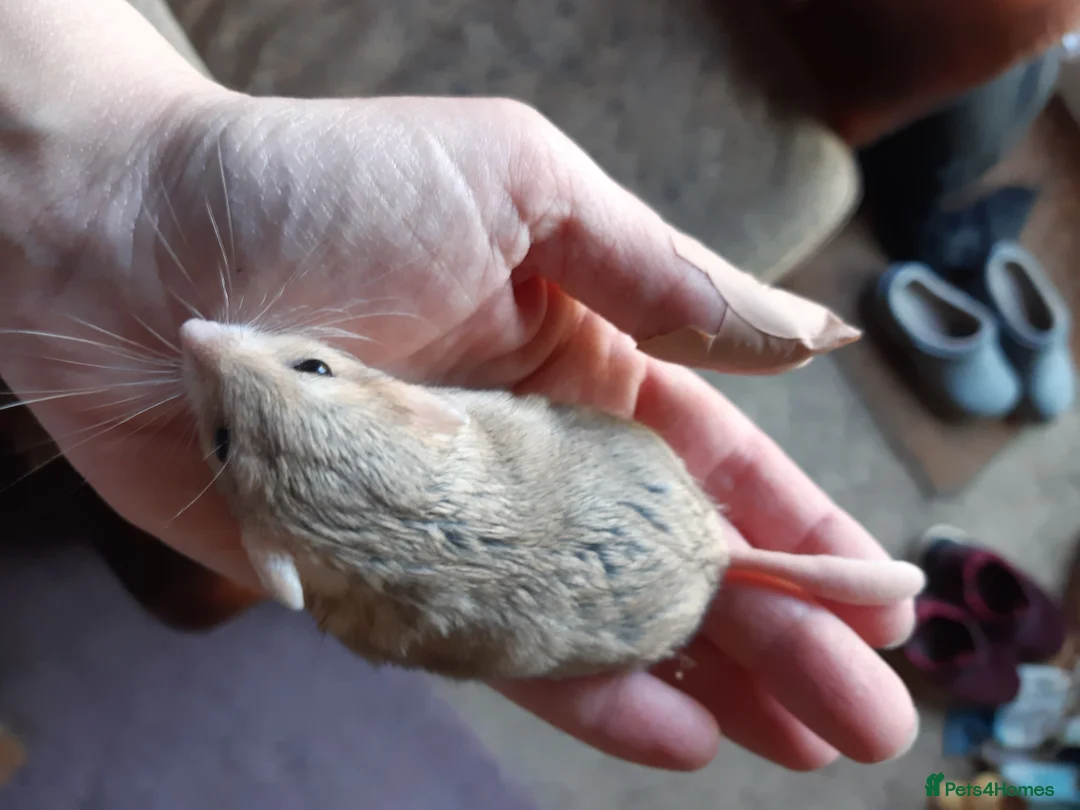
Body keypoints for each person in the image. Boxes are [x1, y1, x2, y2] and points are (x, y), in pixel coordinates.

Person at [0, 0, 919, 774]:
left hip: (607, 572)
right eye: (306, 368)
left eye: (226, 442)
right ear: (418, 408)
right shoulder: (427, 440)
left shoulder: (371, 501)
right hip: (613, 556)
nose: (205, 341)